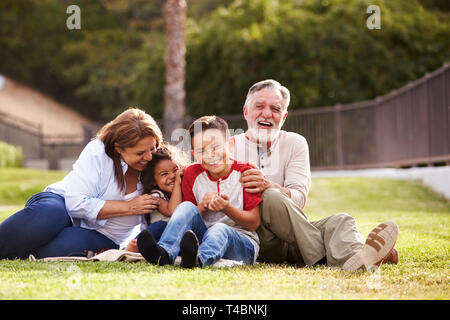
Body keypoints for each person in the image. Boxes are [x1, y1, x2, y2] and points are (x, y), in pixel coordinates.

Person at [231, 79, 399, 271]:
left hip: (294, 237)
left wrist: (269, 185)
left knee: (340, 221)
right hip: (254, 238)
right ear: (246, 112)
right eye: (259, 106)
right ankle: (342, 255)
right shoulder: (228, 147)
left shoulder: (296, 143)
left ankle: (356, 259)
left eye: (275, 109)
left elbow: (299, 199)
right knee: (268, 197)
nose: (267, 113)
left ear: (283, 117)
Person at [0, 108, 163, 259]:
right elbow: (75, 203)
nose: (149, 157)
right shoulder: (98, 151)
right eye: (140, 153)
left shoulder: (160, 166)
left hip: (103, 235)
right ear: (118, 148)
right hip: (62, 202)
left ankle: (16, 252)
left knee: (69, 244)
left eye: (153, 148)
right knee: (49, 215)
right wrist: (129, 207)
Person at [137, 115, 262, 268]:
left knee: (219, 229)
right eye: (201, 151)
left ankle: (198, 260)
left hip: (242, 243)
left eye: (215, 147)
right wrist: (203, 205)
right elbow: (189, 217)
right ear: (194, 154)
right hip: (203, 238)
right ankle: (165, 252)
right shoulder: (191, 173)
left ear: (230, 145)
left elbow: (254, 223)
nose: (210, 155)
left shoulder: (246, 173)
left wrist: (226, 208)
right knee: (186, 207)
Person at [125, 144, 190, 252]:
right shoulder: (156, 196)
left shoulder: (186, 191)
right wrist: (178, 183)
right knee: (162, 225)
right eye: (164, 174)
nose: (172, 176)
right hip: (158, 237)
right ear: (154, 181)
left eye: (175, 170)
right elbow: (174, 211)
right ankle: (135, 246)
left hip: (177, 238)